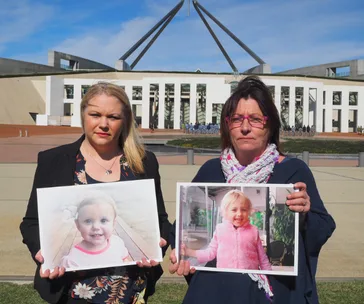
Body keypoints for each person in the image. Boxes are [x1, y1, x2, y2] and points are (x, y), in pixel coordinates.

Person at [169, 76, 336, 304]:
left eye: (255, 119)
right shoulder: (211, 171)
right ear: (227, 125)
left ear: (270, 125)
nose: (245, 127)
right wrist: (182, 250)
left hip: (271, 294)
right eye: (237, 119)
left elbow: (322, 228)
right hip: (215, 293)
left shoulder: (293, 171)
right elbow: (181, 227)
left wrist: (305, 213)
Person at [20, 82, 171, 304]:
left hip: (130, 291)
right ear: (83, 115)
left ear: (125, 120)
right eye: (95, 114)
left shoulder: (144, 162)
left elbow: (160, 220)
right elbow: (32, 222)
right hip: (73, 292)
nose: (103, 124)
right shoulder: (53, 161)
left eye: (113, 117)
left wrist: (157, 244)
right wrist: (43, 252)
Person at [182, 189, 271, 271]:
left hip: (250, 277)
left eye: (243, 210)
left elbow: (262, 257)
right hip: (225, 275)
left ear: (248, 212)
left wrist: (269, 276)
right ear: (225, 212)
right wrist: (189, 252)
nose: (239, 214)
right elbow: (210, 253)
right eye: (234, 210)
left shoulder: (253, 231)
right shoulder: (220, 230)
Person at [60, 193, 131, 270]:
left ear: (113, 224)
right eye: (88, 221)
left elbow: (125, 260)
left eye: (103, 220)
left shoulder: (117, 243)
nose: (96, 227)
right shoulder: (73, 259)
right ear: (78, 225)